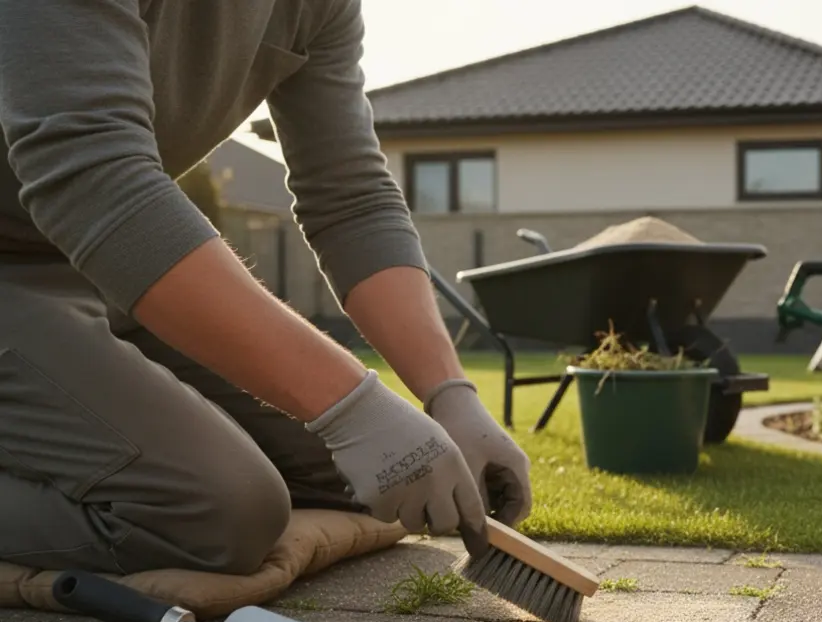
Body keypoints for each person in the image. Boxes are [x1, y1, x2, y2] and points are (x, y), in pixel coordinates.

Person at [0, 0, 533, 577]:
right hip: (52, 255)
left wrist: (449, 395)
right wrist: (352, 408)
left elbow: (350, 197)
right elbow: (94, 177)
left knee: (352, 477)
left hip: (95, 267)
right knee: (212, 512)